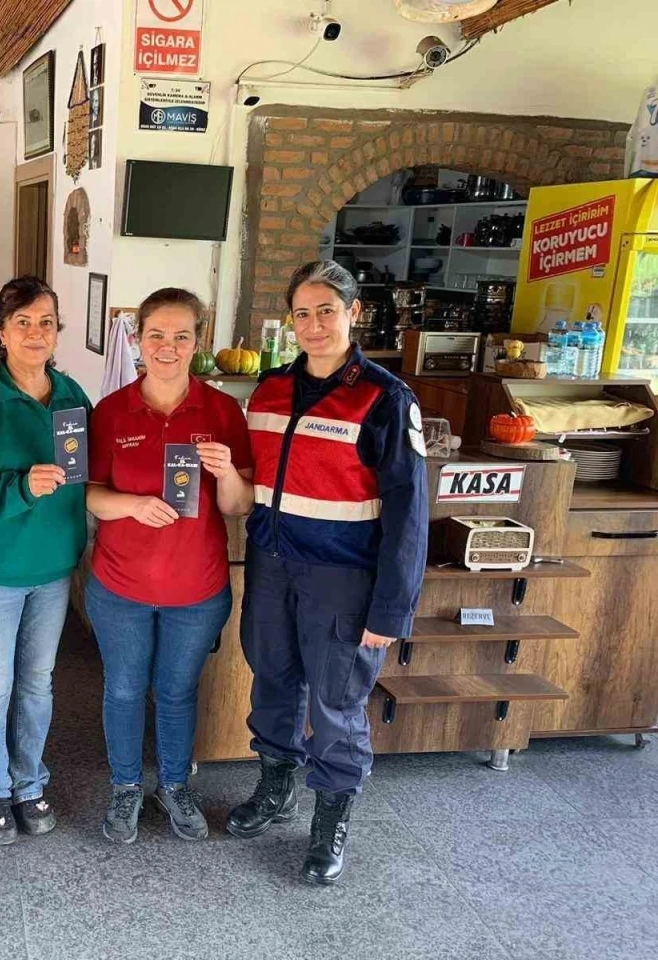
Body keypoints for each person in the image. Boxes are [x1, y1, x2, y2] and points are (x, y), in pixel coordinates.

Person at [226, 260, 428, 885]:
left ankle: (330, 819)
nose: (314, 325)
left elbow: (409, 514)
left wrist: (391, 609)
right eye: (302, 314)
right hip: (271, 566)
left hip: (343, 578)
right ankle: (276, 786)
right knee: (272, 680)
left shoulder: (385, 398)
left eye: (327, 311)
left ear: (353, 313)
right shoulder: (269, 391)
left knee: (336, 703)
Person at [85, 288, 254, 844]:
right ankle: (126, 786)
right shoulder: (111, 411)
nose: (168, 346)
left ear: (198, 342)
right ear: (138, 339)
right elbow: (90, 494)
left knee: (178, 691)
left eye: (182, 336)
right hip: (120, 586)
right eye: (156, 334)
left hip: (197, 589)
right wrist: (132, 505)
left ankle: (175, 785)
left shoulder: (222, 411)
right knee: (124, 690)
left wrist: (226, 472)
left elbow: (238, 505)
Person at [0, 277, 92, 845]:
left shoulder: (73, 396)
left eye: (45, 322)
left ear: (57, 332)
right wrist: (20, 486)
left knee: (37, 683)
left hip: (53, 569)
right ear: (1, 332)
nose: (35, 333)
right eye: (22, 322)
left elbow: (90, 475)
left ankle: (28, 781)